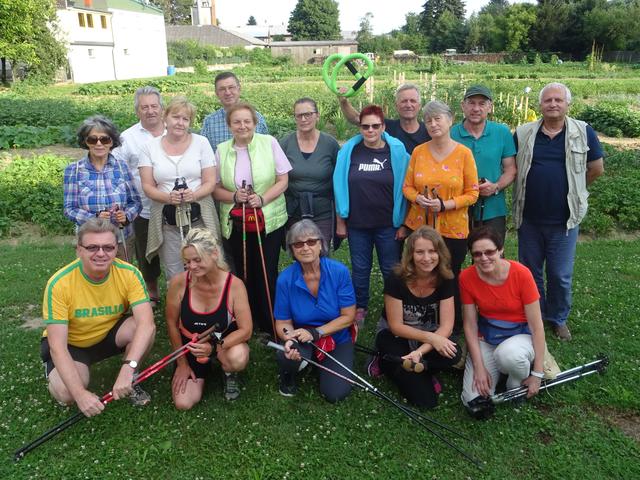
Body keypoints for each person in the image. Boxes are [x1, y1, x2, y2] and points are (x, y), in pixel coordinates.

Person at [513, 82, 604, 341]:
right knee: (530, 273)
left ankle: (558, 318)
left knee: (559, 274)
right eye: (548, 100)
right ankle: (536, 316)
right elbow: (512, 167)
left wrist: (575, 190)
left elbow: (596, 168)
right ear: (540, 105)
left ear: (567, 105)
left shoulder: (583, 132)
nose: (553, 104)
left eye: (558, 100)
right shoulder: (523, 133)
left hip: (564, 220)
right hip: (529, 219)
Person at [41, 218, 156, 416]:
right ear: (79, 250)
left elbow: (147, 325)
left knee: (142, 328)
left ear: (116, 249)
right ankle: (54, 373)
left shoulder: (129, 273)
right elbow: (57, 346)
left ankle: (132, 377)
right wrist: (80, 394)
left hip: (109, 334)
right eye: (92, 247)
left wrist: (129, 368)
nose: (101, 254)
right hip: (72, 344)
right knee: (67, 394)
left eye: (108, 247)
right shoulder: (59, 283)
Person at [214, 101, 291, 335]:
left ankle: (270, 321)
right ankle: (248, 321)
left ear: (255, 123)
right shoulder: (221, 149)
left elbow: (283, 180)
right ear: (229, 125)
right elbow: (215, 188)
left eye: (247, 121)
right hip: (236, 221)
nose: (242, 126)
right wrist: (234, 195)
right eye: (236, 121)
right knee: (242, 271)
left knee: (266, 270)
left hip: (267, 219)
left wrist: (262, 198)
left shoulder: (270, 143)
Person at [402, 100, 479, 328]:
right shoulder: (418, 152)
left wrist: (445, 205)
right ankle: (420, 319)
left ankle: (450, 324)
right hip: (421, 228)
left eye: (438, 119)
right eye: (428, 120)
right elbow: (407, 187)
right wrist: (418, 199)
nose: (433, 124)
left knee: (448, 275)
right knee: (420, 273)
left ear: (450, 120)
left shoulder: (464, 153)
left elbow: (472, 193)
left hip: (452, 229)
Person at [333, 104, 410, 326]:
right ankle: (360, 307)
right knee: (360, 268)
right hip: (358, 224)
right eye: (365, 126)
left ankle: (393, 308)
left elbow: (407, 188)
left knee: (390, 268)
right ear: (359, 128)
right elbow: (338, 186)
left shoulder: (396, 152)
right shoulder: (348, 152)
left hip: (389, 224)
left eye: (375, 126)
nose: (370, 130)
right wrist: (341, 221)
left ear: (383, 126)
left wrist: (404, 224)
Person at [460, 226, 546, 418]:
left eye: (489, 251)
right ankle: (506, 370)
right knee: (473, 399)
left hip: (520, 334)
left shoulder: (521, 274)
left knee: (508, 356)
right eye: (477, 254)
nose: (484, 258)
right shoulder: (466, 277)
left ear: (500, 250)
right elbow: (470, 324)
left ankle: (515, 383)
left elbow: (537, 326)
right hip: (488, 336)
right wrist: (479, 367)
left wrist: (538, 374)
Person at [375, 226, 461, 409]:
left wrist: (420, 351)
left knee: (454, 353)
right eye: (420, 252)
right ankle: (390, 363)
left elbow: (446, 326)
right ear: (411, 255)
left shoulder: (446, 278)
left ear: (440, 253)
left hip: (429, 335)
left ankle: (413, 365)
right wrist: (431, 339)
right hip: (397, 335)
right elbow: (396, 325)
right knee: (426, 401)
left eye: (432, 251)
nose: (427, 258)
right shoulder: (396, 278)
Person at [166, 228, 251, 407]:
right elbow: (172, 324)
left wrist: (213, 348)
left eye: (197, 260)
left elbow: (246, 330)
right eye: (187, 262)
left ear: (214, 254)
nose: (192, 266)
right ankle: (200, 367)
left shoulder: (234, 285)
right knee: (184, 403)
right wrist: (181, 363)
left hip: (223, 342)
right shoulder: (179, 283)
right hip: (191, 345)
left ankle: (228, 372)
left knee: (238, 357)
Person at [139, 96, 220, 282]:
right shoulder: (149, 147)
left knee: (206, 263)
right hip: (168, 218)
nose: (180, 123)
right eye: (176, 117)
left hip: (199, 214)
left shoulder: (201, 143)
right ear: (165, 117)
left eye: (186, 119)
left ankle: (208, 305)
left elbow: (210, 181)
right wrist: (168, 198)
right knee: (174, 269)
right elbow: (147, 186)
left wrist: (194, 194)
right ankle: (181, 307)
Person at [274, 220, 356, 401]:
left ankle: (317, 364)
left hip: (336, 338)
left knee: (335, 394)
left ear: (321, 244)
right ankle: (289, 372)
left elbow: (348, 317)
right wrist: (289, 338)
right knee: (286, 355)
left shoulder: (339, 272)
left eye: (311, 242)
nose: (305, 248)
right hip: (302, 337)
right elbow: (282, 322)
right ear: (292, 250)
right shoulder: (285, 279)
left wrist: (316, 333)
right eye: (298, 244)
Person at [63, 115, 141, 260]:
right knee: (92, 280)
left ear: (112, 142)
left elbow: (135, 202)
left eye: (105, 139)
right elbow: (69, 209)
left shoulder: (122, 167)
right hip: (89, 242)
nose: (99, 144)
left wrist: (126, 216)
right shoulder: (73, 170)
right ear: (85, 142)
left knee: (121, 279)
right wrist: (94, 218)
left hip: (120, 238)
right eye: (93, 139)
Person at [114, 86, 165, 305]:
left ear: (161, 108)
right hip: (143, 207)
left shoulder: (174, 130)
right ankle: (152, 292)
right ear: (137, 111)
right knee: (146, 252)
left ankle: (182, 288)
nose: (150, 111)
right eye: (144, 107)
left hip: (175, 205)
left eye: (154, 106)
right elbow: (117, 171)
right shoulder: (127, 138)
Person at [450, 85, 516, 241]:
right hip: (457, 207)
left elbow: (511, 169)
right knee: (452, 259)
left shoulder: (502, 132)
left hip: (492, 209)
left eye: (482, 103)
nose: (476, 108)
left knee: (491, 258)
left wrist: (495, 187)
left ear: (490, 107)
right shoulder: (450, 133)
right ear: (463, 105)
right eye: (471, 103)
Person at [280, 97, 340, 246]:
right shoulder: (285, 143)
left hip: (323, 211)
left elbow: (339, 179)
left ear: (317, 116)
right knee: (300, 251)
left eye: (308, 114)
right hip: (294, 210)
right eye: (299, 115)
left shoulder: (330, 144)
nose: (304, 119)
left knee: (321, 251)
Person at [338, 83, 430, 154]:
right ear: (396, 106)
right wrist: (343, 101)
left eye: (413, 101)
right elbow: (356, 118)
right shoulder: (385, 127)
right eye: (404, 101)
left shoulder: (429, 132)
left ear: (419, 106)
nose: (408, 105)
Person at [200, 71, 269, 153]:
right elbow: (204, 154)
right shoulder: (209, 122)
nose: (227, 92)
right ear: (217, 93)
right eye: (222, 89)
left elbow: (265, 150)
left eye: (231, 87)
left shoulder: (257, 118)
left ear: (239, 89)